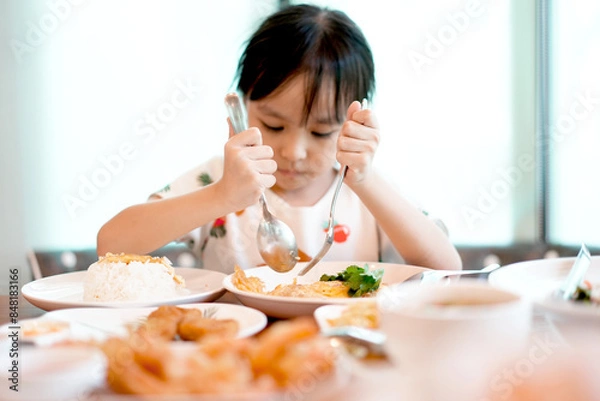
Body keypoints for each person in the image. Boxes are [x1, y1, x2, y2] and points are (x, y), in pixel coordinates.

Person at [97, 4, 462, 273]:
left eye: (321, 131)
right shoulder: (221, 180)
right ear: (241, 107)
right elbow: (111, 245)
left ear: (356, 121)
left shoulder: (365, 192)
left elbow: (447, 268)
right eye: (273, 125)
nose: (294, 152)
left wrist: (366, 181)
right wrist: (222, 195)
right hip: (233, 365)